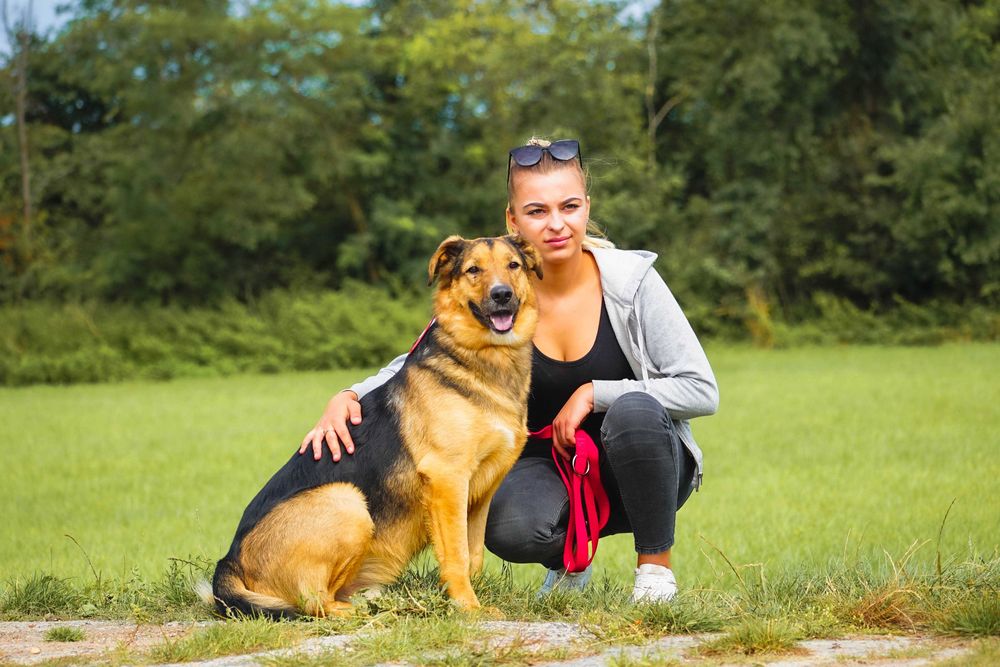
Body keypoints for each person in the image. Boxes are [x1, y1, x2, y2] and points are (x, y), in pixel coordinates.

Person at [300, 137, 718, 603]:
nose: (557, 224)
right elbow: (424, 361)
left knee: (635, 411)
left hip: (647, 467)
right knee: (508, 520)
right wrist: (349, 395)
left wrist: (593, 393)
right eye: (537, 211)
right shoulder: (499, 294)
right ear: (512, 219)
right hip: (553, 471)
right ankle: (569, 566)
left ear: (586, 208)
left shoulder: (633, 282)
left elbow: (701, 389)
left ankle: (655, 576)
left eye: (570, 206)